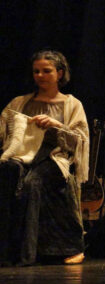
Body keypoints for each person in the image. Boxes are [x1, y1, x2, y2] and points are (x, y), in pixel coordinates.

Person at [0, 50, 89, 266]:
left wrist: (57, 125)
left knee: (33, 183)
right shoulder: (20, 102)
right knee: (7, 173)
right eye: (36, 71)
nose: (40, 75)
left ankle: (36, 251)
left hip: (53, 157)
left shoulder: (71, 104)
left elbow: (79, 141)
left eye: (46, 71)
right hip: (22, 155)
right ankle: (7, 250)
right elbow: (4, 128)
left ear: (59, 73)